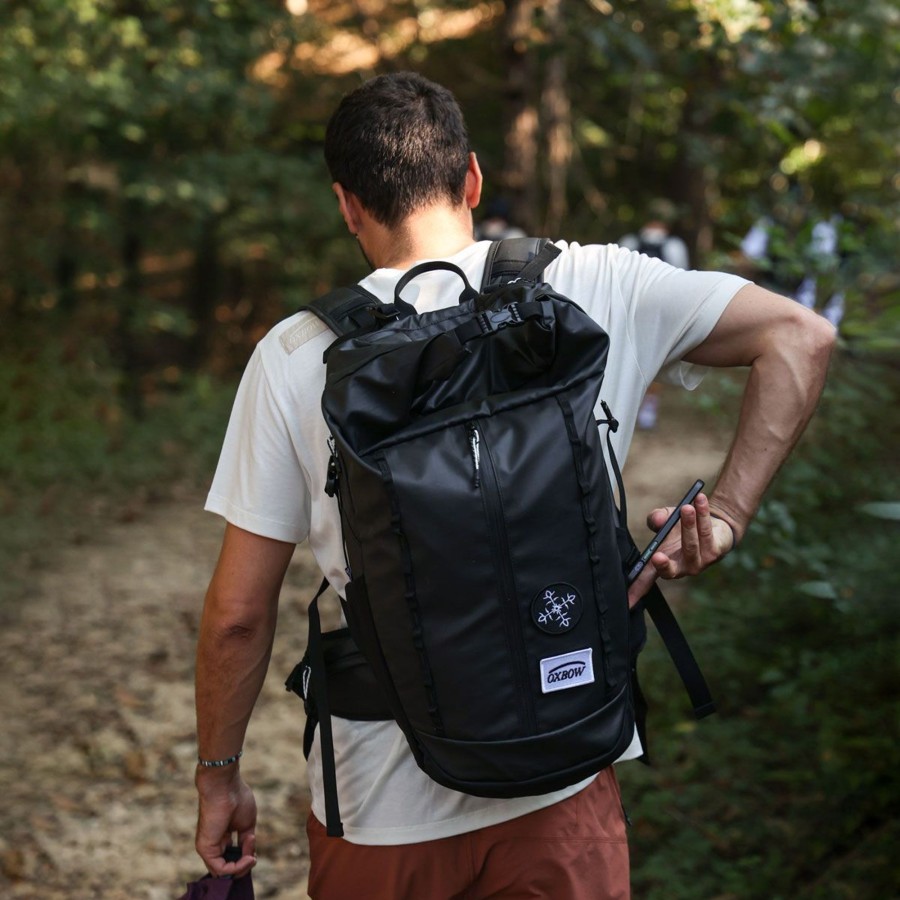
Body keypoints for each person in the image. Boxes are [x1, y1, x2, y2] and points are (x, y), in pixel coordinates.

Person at [193, 72, 835, 899]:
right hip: (565, 773)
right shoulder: (595, 284)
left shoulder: (295, 354)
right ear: (471, 179)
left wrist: (219, 774)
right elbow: (801, 336)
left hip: (382, 807)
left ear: (347, 205)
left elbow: (241, 616)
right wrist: (731, 516)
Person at [618, 201, 691, 429]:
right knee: (655, 361)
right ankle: (648, 408)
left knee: (623, 358)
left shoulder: (628, 242)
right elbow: (681, 281)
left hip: (628, 309)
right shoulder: (675, 246)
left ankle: (623, 406)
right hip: (659, 313)